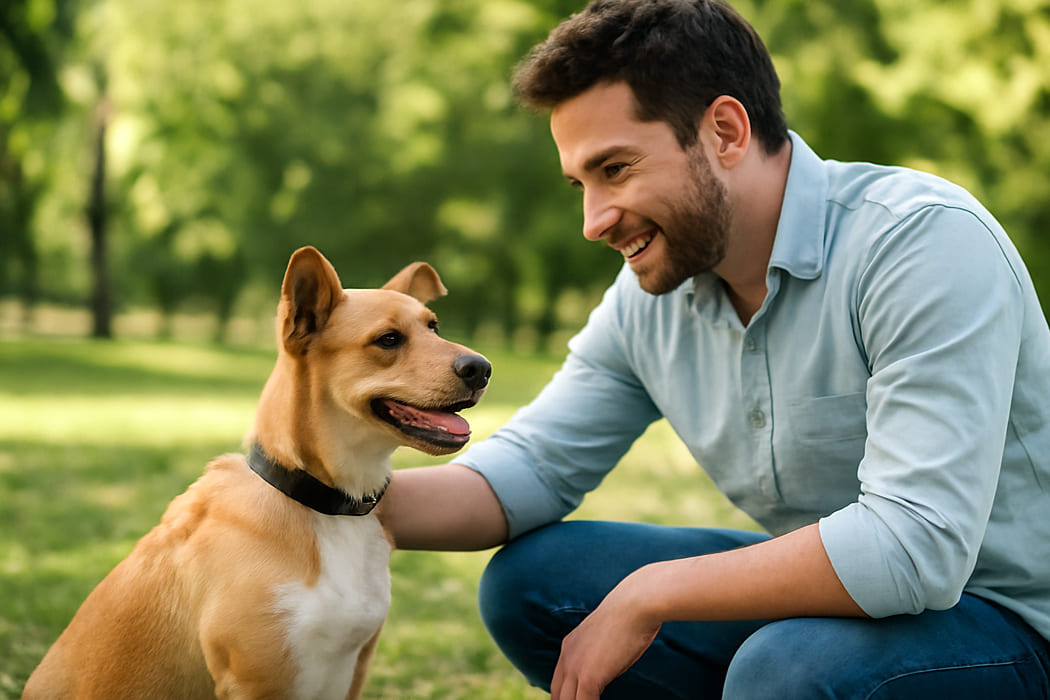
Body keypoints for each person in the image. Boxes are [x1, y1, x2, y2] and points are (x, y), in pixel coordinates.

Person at [377, 0, 1050, 697]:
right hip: (856, 611)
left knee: (788, 669)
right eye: (581, 184)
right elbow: (531, 469)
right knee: (535, 582)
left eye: (615, 169)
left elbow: (915, 548)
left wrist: (654, 592)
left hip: (1014, 621)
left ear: (725, 131)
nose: (593, 221)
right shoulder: (652, 296)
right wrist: (300, 497)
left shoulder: (920, 243)